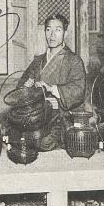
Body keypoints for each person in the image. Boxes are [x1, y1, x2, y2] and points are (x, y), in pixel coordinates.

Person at [13, 14, 86, 151]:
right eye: (48, 30)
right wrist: (26, 87)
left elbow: (79, 90)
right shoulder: (38, 60)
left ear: (65, 33)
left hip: (60, 117)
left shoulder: (73, 60)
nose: (52, 35)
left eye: (57, 30)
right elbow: (20, 90)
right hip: (36, 115)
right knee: (16, 135)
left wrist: (54, 91)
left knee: (41, 143)